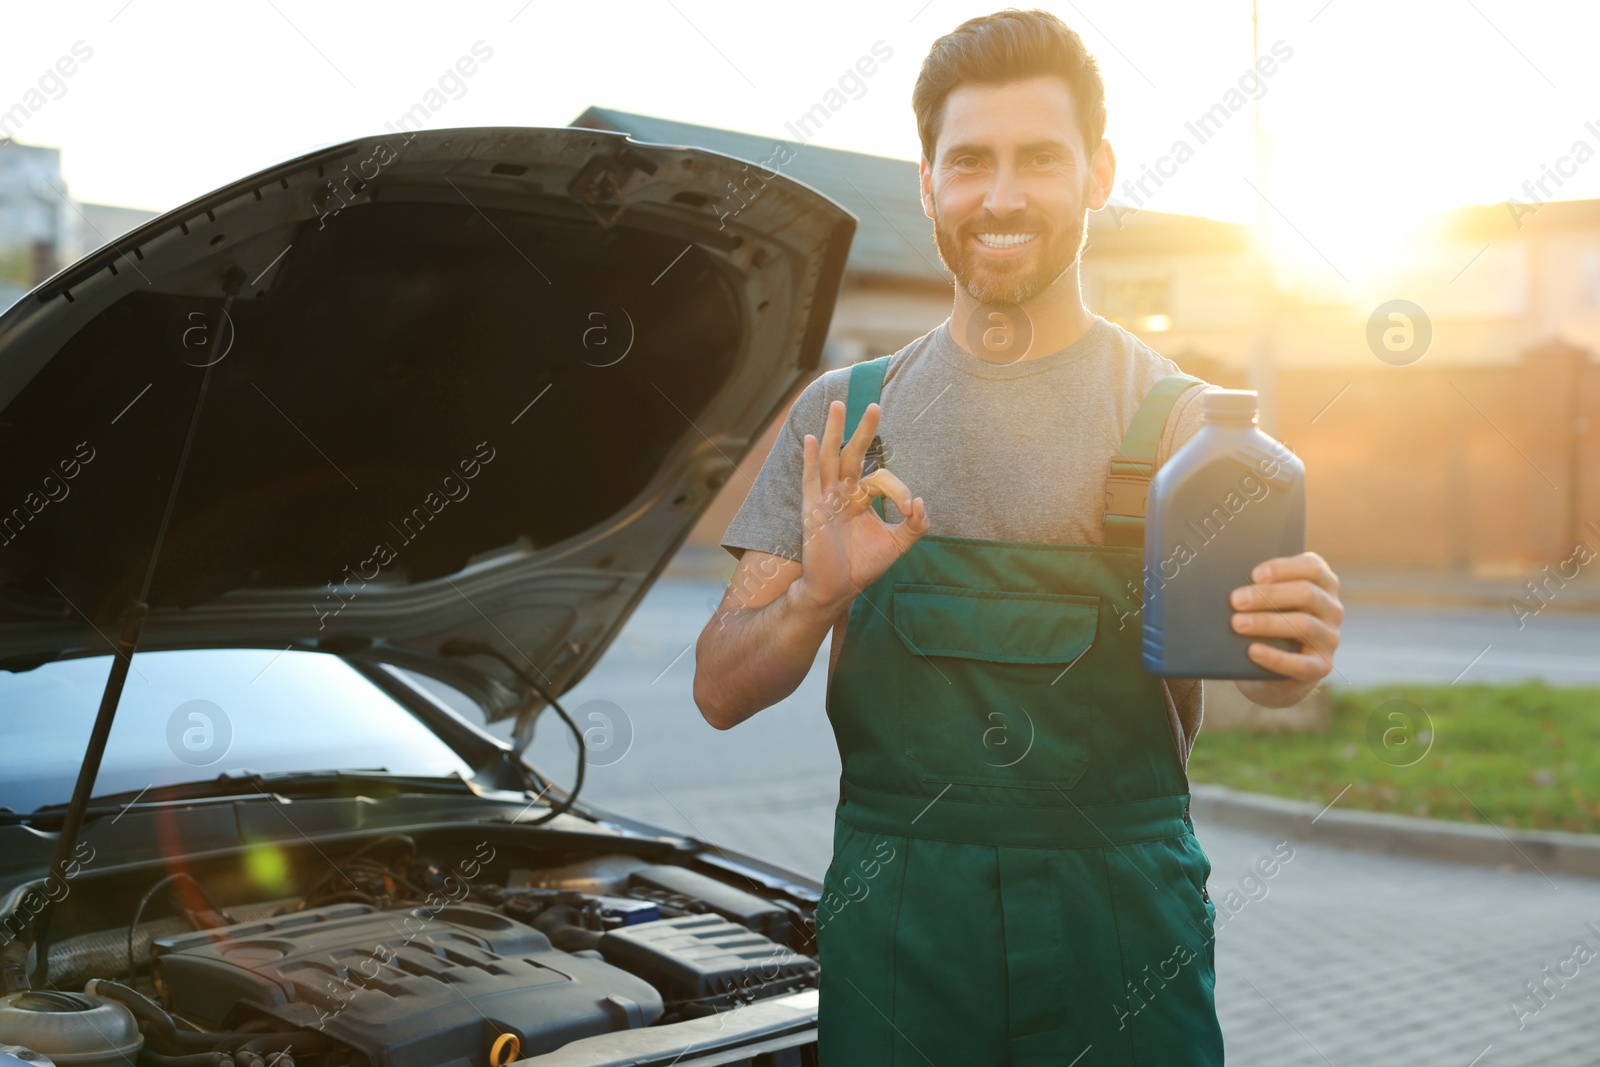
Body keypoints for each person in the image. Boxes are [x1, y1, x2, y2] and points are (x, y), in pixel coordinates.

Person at [692, 8, 1344, 1064]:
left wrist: (1295, 650)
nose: (1000, 196)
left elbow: (1264, 672)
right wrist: (815, 595)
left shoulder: (1179, 425)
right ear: (926, 183)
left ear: (1097, 173)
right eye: (969, 162)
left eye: (1039, 158)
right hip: (901, 921)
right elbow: (718, 689)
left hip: (1121, 926)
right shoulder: (843, 420)